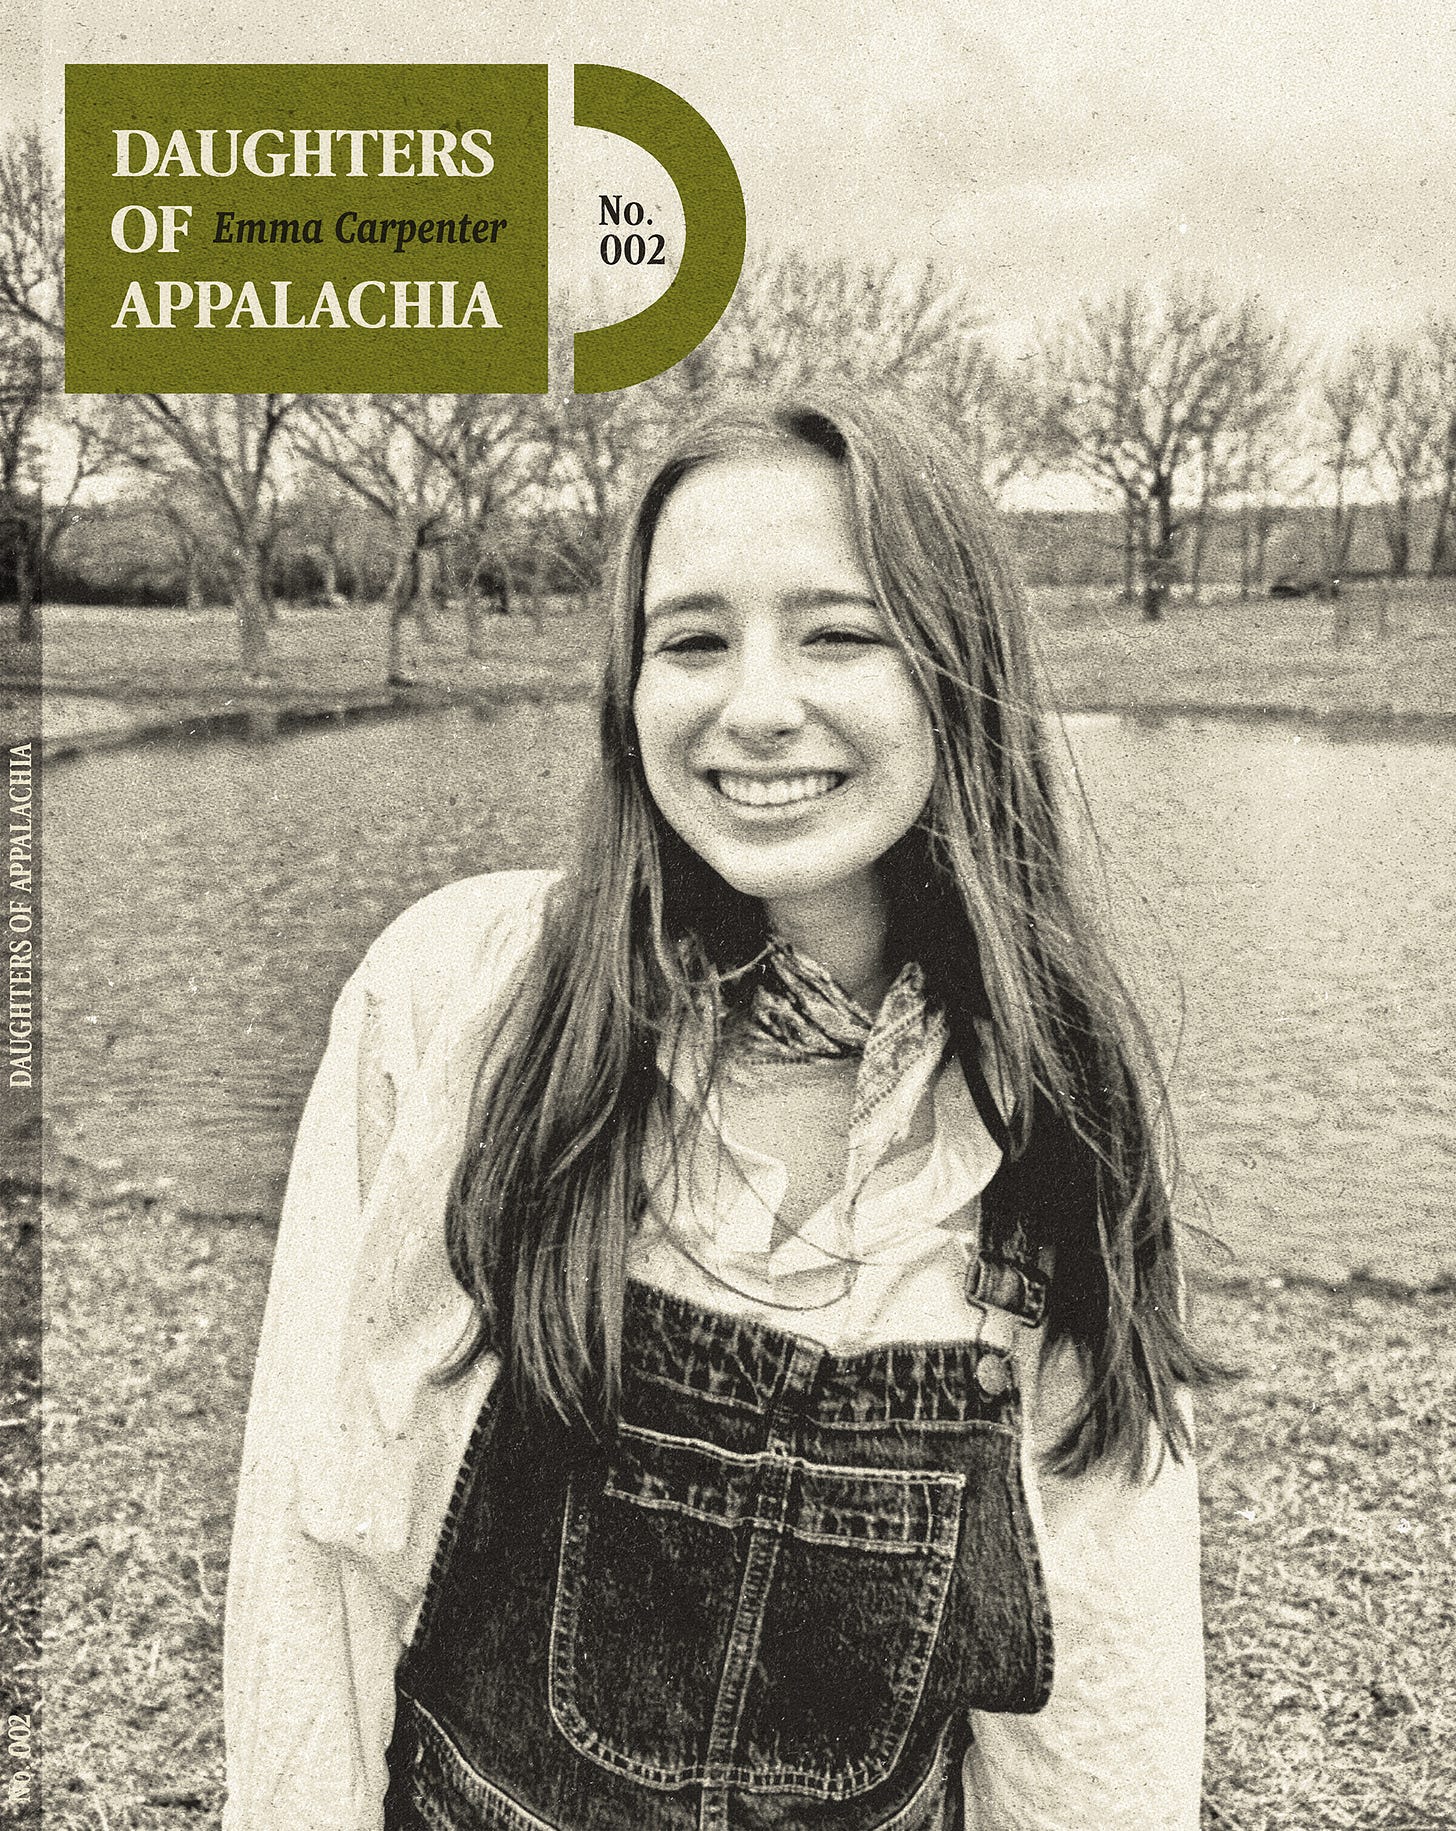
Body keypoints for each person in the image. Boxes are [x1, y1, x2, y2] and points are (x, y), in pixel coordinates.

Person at [224, 391, 1212, 1831]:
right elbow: (316, 1570)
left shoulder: (1049, 1108)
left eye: (837, 633)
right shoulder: (457, 1009)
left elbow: (1098, 1705)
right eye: (691, 640)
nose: (754, 705)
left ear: (957, 672)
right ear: (626, 694)